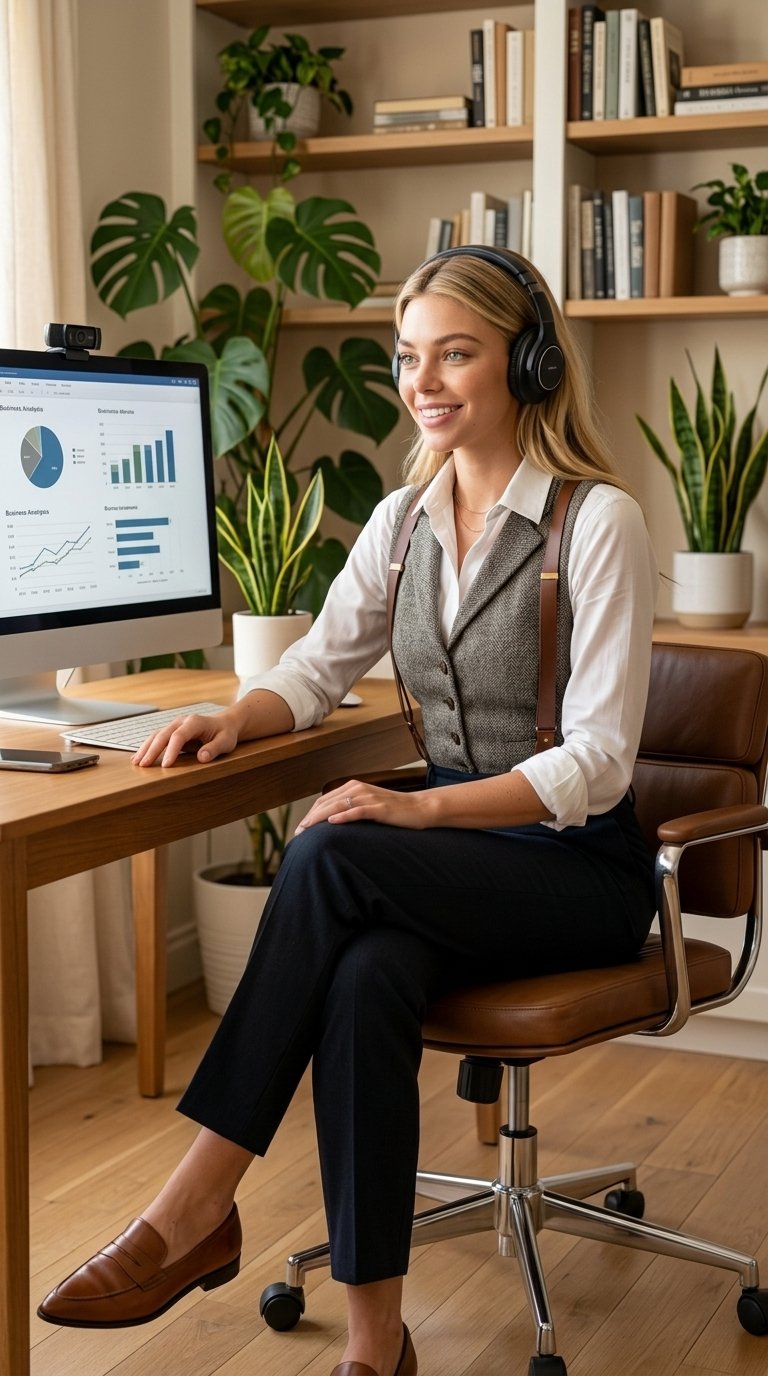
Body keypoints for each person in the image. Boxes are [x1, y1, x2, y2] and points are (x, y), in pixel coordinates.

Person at [38, 249, 659, 1376]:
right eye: (409, 356)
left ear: (528, 361)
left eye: (456, 353)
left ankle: (194, 1200)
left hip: (581, 871)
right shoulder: (405, 519)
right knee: (367, 971)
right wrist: (241, 715)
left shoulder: (597, 522)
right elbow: (320, 666)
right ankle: (376, 1345)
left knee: (334, 849)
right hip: (465, 869)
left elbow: (601, 764)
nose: (424, 381)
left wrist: (421, 817)